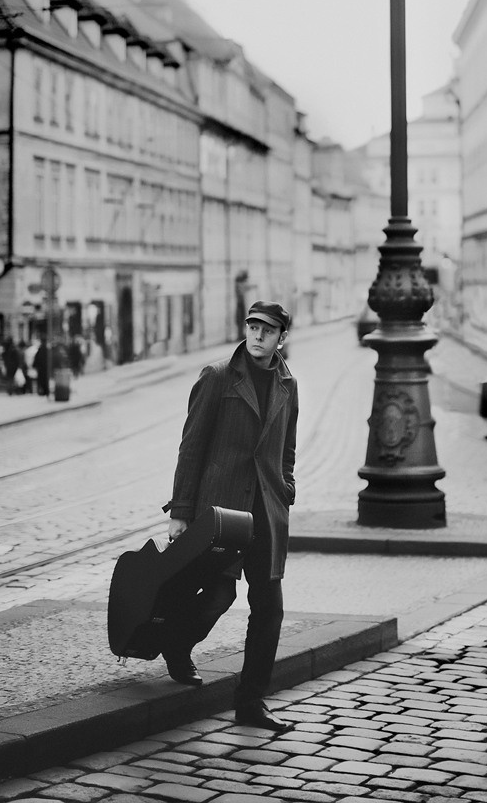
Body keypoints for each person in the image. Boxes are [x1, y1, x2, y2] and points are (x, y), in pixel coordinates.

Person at [161, 300, 298, 734]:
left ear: (281, 338)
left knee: (269, 608)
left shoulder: (288, 384)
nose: (258, 336)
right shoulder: (218, 377)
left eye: (268, 330)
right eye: (252, 326)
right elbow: (192, 447)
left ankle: (250, 701)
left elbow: (287, 447)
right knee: (218, 597)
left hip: (266, 514)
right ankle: (178, 645)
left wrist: (286, 487)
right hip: (222, 513)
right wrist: (181, 511)